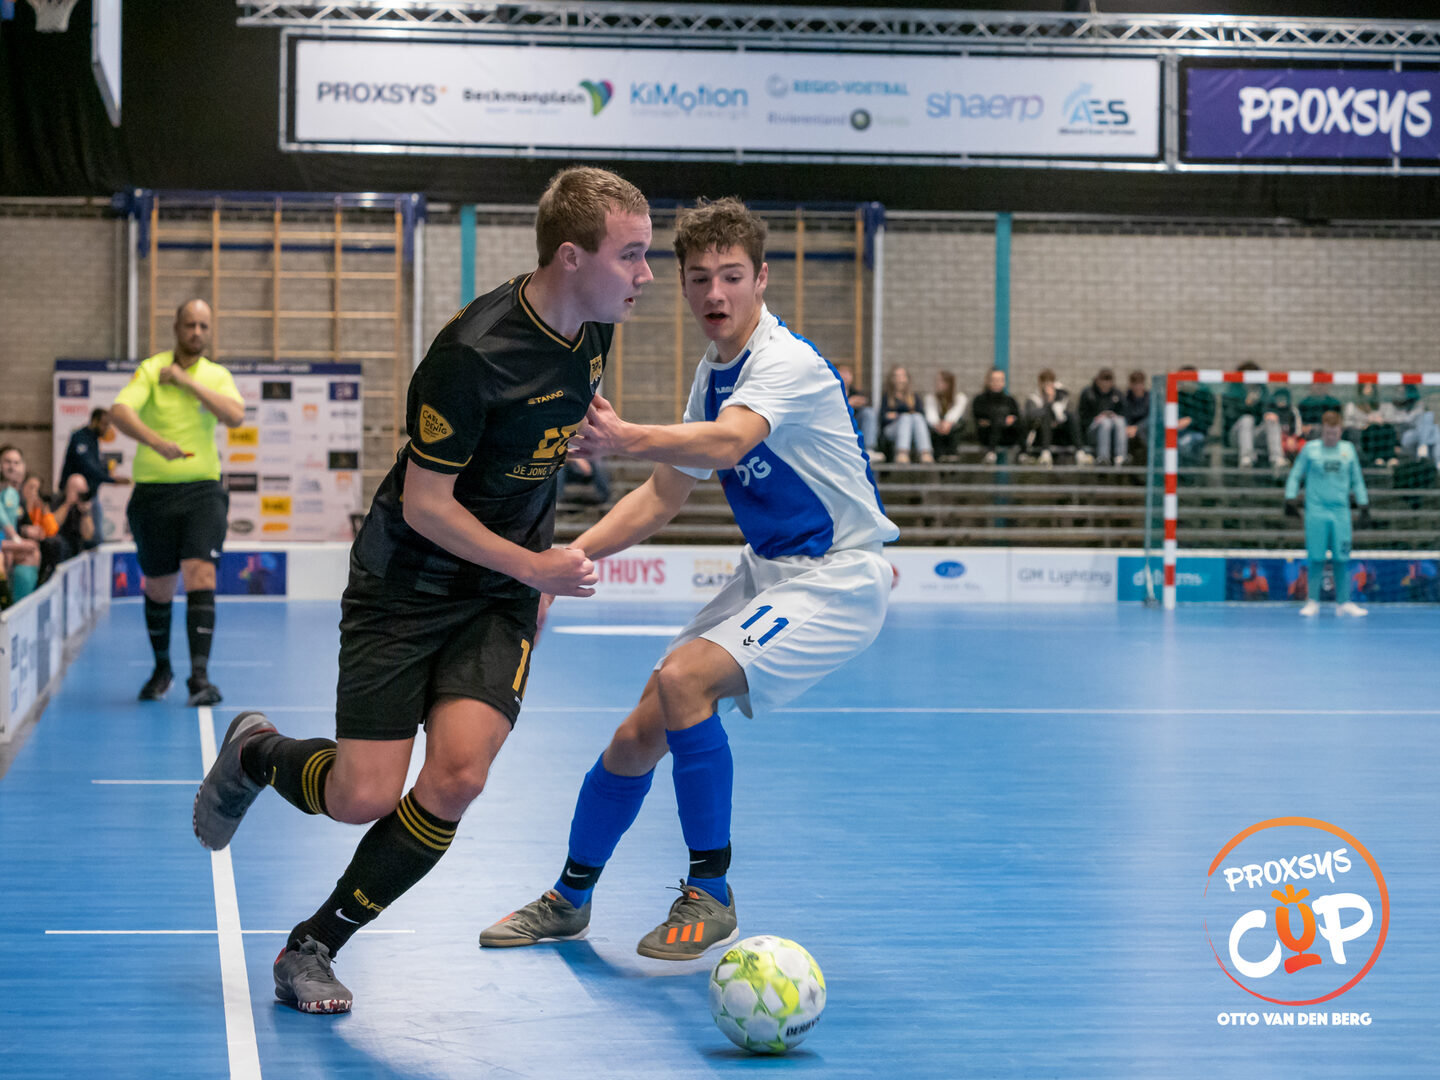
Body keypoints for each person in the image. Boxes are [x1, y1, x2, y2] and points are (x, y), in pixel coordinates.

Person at [190, 166, 652, 1014]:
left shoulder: (594, 325)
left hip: (499, 591)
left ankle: (312, 946)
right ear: (571, 256)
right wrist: (538, 568)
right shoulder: (469, 356)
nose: (646, 275)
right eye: (631, 256)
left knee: (458, 776)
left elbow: (553, 410)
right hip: (407, 582)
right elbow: (426, 505)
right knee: (361, 796)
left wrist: (584, 438)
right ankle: (256, 752)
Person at [478, 196, 897, 963]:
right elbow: (663, 496)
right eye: (699, 278)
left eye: (731, 276)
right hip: (767, 573)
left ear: (761, 279)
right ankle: (569, 899)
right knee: (637, 734)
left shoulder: (785, 363)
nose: (715, 293)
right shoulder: (712, 374)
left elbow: (731, 444)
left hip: (835, 578)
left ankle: (711, 892)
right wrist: (559, 568)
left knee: (683, 680)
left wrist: (626, 436)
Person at [110, 300, 245, 706]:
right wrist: (155, 441)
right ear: (176, 327)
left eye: (203, 325)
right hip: (153, 494)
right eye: (190, 325)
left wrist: (186, 382)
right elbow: (119, 411)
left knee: (201, 574)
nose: (196, 332)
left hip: (203, 491)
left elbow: (235, 416)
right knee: (159, 586)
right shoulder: (152, 369)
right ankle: (162, 668)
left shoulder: (216, 375)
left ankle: (200, 679)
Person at [1285, 409, 1371, 617]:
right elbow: (1296, 474)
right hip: (1316, 511)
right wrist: (1290, 497)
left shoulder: (1348, 450)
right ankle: (1312, 601)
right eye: (1327, 433)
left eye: (1334, 433)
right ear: (1322, 430)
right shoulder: (1311, 450)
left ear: (1340, 431)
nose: (1331, 437)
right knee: (1316, 557)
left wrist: (1364, 504)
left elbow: (1357, 479)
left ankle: (1344, 602)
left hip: (1341, 512)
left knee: (1342, 557)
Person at [59, 407, 127, 541]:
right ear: (94, 421)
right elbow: (88, 467)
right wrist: (112, 480)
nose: (107, 429)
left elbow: (95, 465)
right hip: (74, 498)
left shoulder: (93, 439)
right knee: (77, 537)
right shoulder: (80, 438)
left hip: (89, 497)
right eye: (104, 424)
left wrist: (108, 473)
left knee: (95, 538)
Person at [1222, 362, 1285, 470]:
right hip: (1236, 435)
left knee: (1272, 420)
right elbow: (1230, 415)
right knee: (1247, 419)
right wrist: (1245, 405)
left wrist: (1267, 412)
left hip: (1256, 434)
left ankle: (1277, 458)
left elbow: (1268, 409)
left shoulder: (1262, 390)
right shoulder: (1232, 391)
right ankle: (1246, 458)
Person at [0, 445, 42, 601]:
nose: (12, 467)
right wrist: (14, 543)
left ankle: (20, 606)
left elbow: (12, 527)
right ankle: (6, 608)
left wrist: (21, 537)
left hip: (4, 543)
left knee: (31, 553)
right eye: (7, 462)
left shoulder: (12, 494)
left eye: (16, 463)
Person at [1023, 369, 1089, 466]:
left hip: (1061, 434)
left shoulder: (1061, 397)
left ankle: (1080, 451)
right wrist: (1048, 403)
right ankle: (1045, 452)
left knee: (1072, 416)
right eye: (1044, 383)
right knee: (1046, 416)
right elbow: (1031, 416)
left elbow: (1068, 414)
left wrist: (1057, 415)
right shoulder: (1034, 399)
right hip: (1041, 435)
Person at [880, 366, 934, 464]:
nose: (899, 379)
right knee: (905, 417)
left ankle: (925, 452)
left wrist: (897, 414)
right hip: (892, 430)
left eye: (902, 376)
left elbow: (921, 415)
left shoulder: (914, 397)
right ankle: (902, 452)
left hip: (912, 429)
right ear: (892, 379)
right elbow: (883, 418)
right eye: (896, 376)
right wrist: (900, 416)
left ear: (907, 378)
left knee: (917, 417)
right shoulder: (887, 396)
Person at [1078, 367, 1126, 466]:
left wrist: (1113, 415)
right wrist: (1097, 417)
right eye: (1103, 381)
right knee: (1105, 422)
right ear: (1098, 381)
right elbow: (1081, 416)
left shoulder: (1117, 394)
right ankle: (1103, 457)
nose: (1105, 385)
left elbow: (1124, 413)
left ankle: (1121, 457)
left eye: (1108, 382)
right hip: (1092, 430)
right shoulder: (1088, 393)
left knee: (1120, 421)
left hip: (1113, 430)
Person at [972, 367, 1021, 465]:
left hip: (1007, 436)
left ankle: (1023, 453)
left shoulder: (1010, 400)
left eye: (1000, 380)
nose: (997, 383)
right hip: (987, 436)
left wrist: (1004, 421)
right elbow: (979, 418)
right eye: (994, 380)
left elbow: (1016, 416)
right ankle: (991, 452)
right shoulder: (980, 400)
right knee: (996, 417)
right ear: (988, 381)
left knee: (1020, 422)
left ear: (1004, 382)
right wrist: (1003, 420)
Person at [836, 364, 880, 459]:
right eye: (842, 372)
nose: (845, 376)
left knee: (869, 412)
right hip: (838, 424)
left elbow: (866, 404)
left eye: (848, 373)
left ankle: (869, 449)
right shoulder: (832, 393)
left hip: (855, 422)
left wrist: (862, 403)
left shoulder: (855, 392)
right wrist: (849, 403)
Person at [1174, 368, 1216, 464]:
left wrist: (1191, 421)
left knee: (1184, 443)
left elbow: (1208, 420)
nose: (1183, 382)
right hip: (1178, 433)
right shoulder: (1177, 396)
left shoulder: (1206, 396)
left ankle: (1187, 472)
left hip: (1198, 433)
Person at [923, 370, 966, 461]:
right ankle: (939, 454)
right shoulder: (931, 397)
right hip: (937, 428)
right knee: (930, 426)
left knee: (960, 423)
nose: (937, 384)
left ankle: (952, 453)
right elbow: (931, 414)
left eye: (940, 381)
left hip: (951, 427)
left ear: (948, 383)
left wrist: (947, 423)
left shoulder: (959, 397)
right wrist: (937, 424)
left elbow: (956, 412)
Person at [1122, 370, 1150, 463]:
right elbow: (1123, 415)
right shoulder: (1125, 398)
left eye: (1140, 384)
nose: (1137, 387)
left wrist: (1137, 427)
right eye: (1135, 384)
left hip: (1144, 430)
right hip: (1128, 431)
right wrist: (1127, 427)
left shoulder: (1150, 398)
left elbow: (1152, 417)